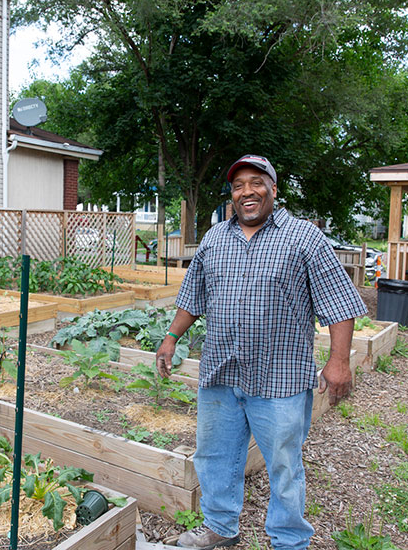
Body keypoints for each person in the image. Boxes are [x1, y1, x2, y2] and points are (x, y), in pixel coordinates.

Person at [156, 155, 367, 550]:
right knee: (215, 456)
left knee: (284, 466)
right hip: (222, 371)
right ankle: (220, 526)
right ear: (232, 195)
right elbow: (193, 296)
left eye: (256, 182)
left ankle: (288, 540)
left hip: (280, 377)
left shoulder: (304, 237)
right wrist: (171, 337)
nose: (246, 192)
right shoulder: (215, 238)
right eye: (238, 186)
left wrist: (339, 362)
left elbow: (340, 302)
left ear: (273, 187)